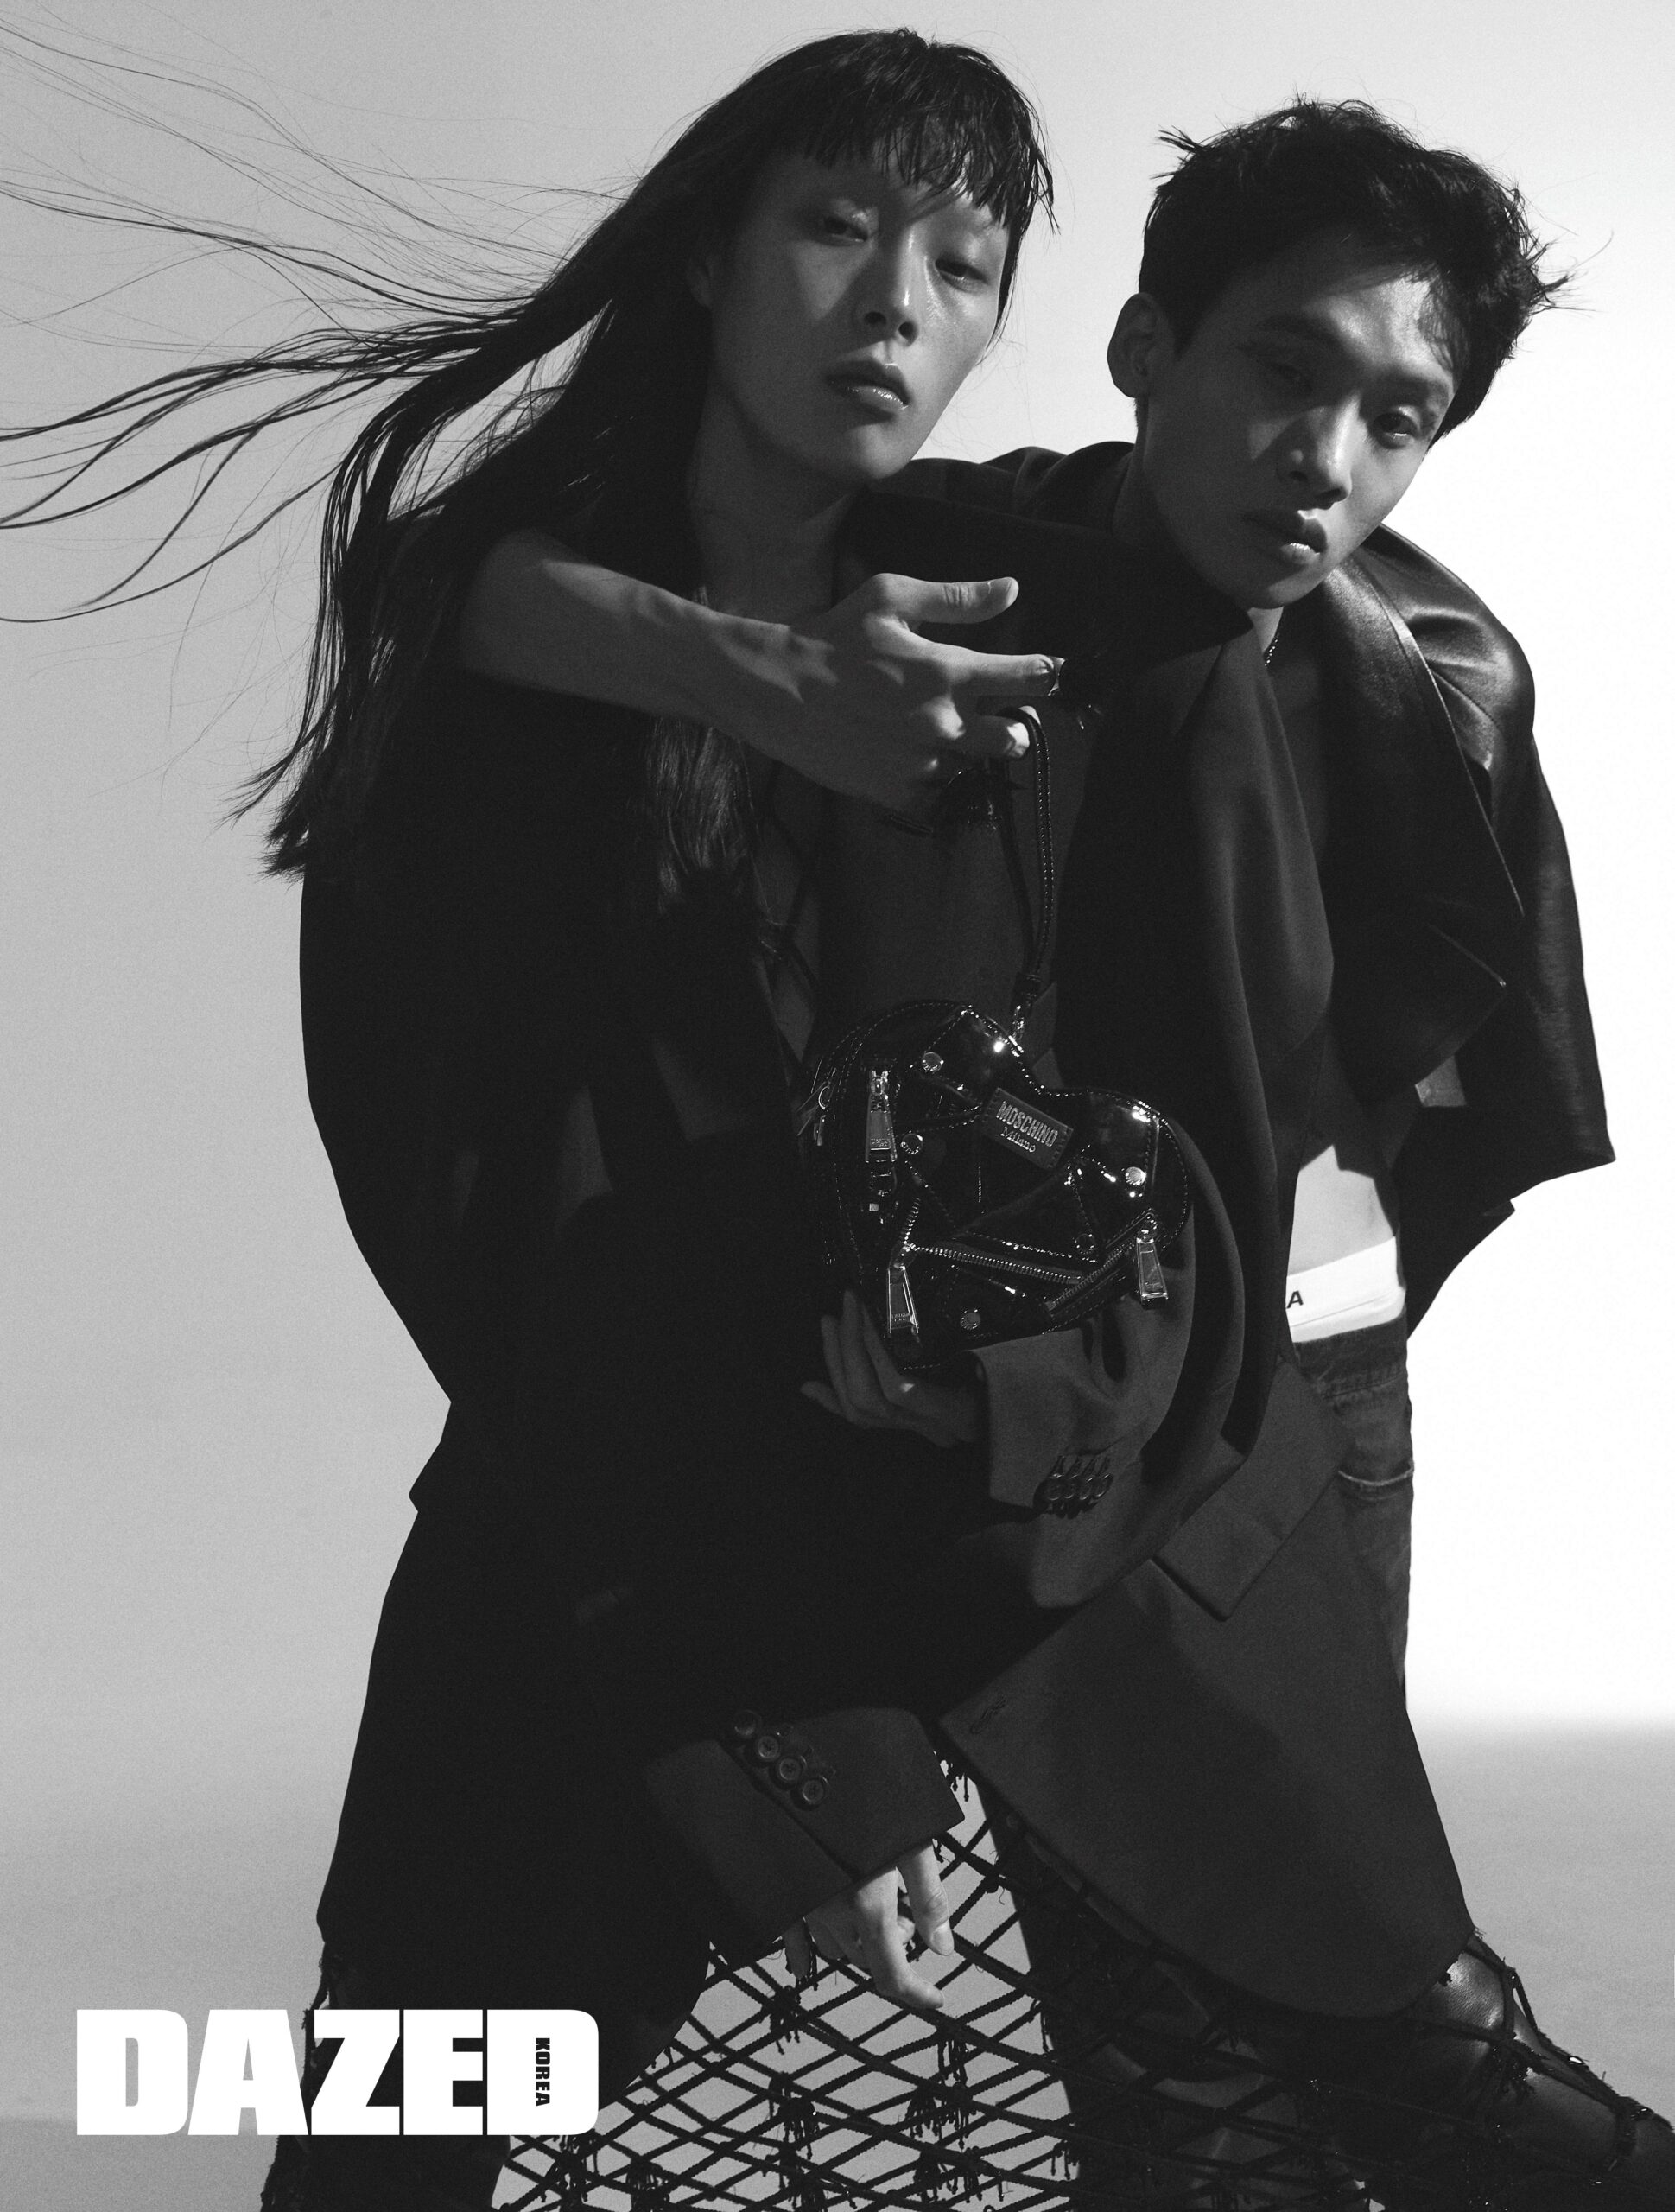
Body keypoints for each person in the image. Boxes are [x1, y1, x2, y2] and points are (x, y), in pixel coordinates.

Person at [5, 48, 1667, 2209]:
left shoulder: (1113, 631)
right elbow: (496, 1186)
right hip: (649, 1471)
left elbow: (1204, 1167)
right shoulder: (552, 641)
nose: (895, 305)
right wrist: (781, 1746)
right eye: (835, 229)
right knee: (409, 2078)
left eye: (961, 267)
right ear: (711, 253)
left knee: (1313, 2078)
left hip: (1090, 1464)